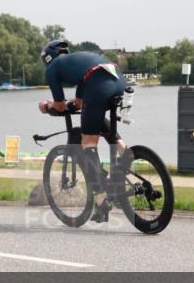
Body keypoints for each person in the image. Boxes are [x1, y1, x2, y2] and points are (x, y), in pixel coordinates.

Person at [37, 40, 129, 223]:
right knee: (95, 110)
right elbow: (79, 102)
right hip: (117, 78)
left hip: (98, 84)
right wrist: (72, 103)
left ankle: (101, 201)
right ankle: (124, 151)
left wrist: (46, 106)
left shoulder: (53, 68)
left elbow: (60, 105)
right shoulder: (79, 63)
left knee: (88, 142)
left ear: (48, 58)